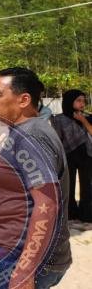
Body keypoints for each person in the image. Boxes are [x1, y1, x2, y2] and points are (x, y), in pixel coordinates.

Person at [0, 68, 71, 289]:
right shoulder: (28, 131)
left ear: (24, 100)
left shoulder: (32, 135)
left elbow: (47, 203)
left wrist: (25, 270)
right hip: (32, 257)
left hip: (16, 258)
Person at [52, 90, 92, 222]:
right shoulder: (58, 119)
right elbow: (58, 139)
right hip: (68, 155)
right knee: (69, 185)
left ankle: (86, 213)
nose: (82, 104)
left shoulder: (88, 117)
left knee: (87, 185)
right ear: (70, 101)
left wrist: (83, 120)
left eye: (83, 101)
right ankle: (70, 212)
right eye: (78, 100)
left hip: (87, 154)